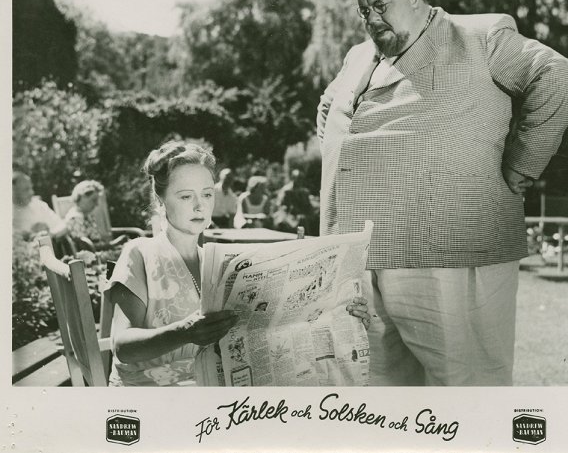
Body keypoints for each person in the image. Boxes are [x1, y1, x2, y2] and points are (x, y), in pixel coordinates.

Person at [317, 0, 568, 386]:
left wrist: (521, 165)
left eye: (381, 5)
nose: (371, 18)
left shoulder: (480, 36)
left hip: (451, 252)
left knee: (466, 386)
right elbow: (329, 108)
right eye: (364, 11)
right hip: (360, 259)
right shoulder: (357, 57)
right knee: (380, 394)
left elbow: (556, 77)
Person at [106, 141, 370, 386]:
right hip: (154, 393)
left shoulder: (224, 265)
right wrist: (184, 332)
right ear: (161, 201)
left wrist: (339, 312)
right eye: (186, 197)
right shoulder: (140, 253)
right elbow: (123, 347)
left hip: (214, 389)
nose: (200, 206)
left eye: (207, 195)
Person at [65, 180, 124, 251]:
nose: (97, 204)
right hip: (92, 257)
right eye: (93, 200)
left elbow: (96, 239)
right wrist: (114, 243)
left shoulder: (88, 215)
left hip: (102, 251)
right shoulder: (74, 218)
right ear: (82, 197)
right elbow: (85, 247)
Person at [13, 171, 68, 241]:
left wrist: (50, 234)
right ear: (13, 191)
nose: (31, 192)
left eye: (31, 188)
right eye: (26, 190)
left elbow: (62, 225)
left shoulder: (39, 205)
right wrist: (31, 234)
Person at [273, 169, 314, 233]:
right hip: (288, 214)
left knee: (306, 221)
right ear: (293, 178)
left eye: (301, 178)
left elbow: (308, 206)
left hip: (301, 215)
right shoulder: (286, 190)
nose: (300, 180)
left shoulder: (304, 192)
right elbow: (280, 205)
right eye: (298, 178)